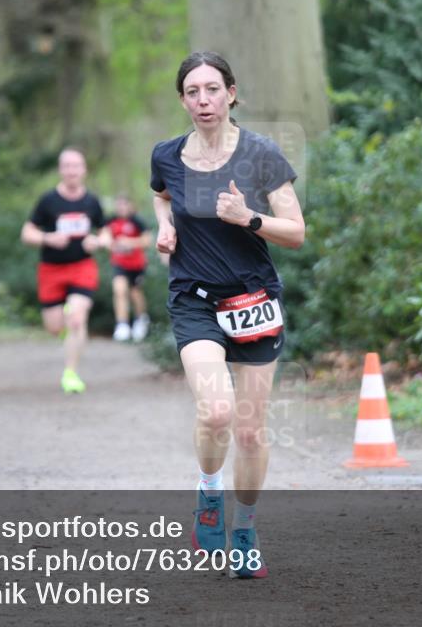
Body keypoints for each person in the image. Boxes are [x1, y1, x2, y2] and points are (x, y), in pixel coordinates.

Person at [150, 51, 305, 578]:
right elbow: (161, 195)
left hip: (254, 300)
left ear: (232, 93)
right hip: (194, 299)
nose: (203, 100)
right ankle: (209, 493)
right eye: (192, 92)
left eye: (212, 89)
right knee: (215, 412)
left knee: (249, 431)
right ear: (182, 100)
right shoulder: (167, 155)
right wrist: (165, 227)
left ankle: (245, 530)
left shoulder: (260, 155)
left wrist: (249, 217)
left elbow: (297, 232)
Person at [21, 147, 107, 394]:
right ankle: (67, 328)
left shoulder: (92, 202)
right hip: (51, 269)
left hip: (82, 266)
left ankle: (71, 373)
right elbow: (26, 233)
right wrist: (47, 238)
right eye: (67, 166)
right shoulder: (48, 201)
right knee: (55, 327)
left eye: (76, 166)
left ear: (83, 170)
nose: (71, 171)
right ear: (61, 170)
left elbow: (105, 233)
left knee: (77, 317)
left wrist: (98, 242)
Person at [107, 194, 151, 342]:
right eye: (119, 205)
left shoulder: (137, 221)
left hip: (136, 265)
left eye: (124, 204)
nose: (121, 208)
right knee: (119, 290)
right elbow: (107, 239)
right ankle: (122, 325)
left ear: (130, 206)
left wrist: (129, 242)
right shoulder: (111, 221)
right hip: (119, 264)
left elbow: (147, 241)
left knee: (135, 293)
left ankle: (141, 320)